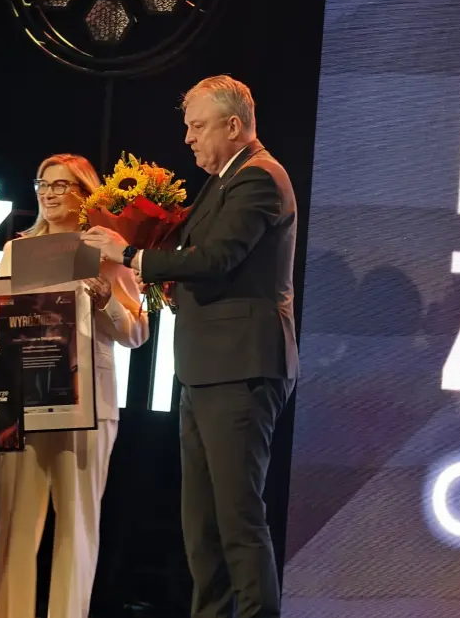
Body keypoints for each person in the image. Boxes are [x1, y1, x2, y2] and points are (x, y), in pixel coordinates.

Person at [82, 75, 299, 618]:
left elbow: (216, 258)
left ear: (234, 125)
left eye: (198, 126)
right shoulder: (227, 178)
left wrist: (131, 254)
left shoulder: (259, 178)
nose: (188, 138)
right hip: (207, 368)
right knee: (202, 528)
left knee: (238, 521)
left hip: (240, 368)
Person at [0, 153, 149, 618]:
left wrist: (107, 301)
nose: (49, 193)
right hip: (24, 400)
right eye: (43, 184)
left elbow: (136, 333)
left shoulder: (107, 248)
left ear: (85, 193)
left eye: (61, 185)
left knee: (77, 526)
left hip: (88, 406)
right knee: (15, 525)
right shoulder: (17, 250)